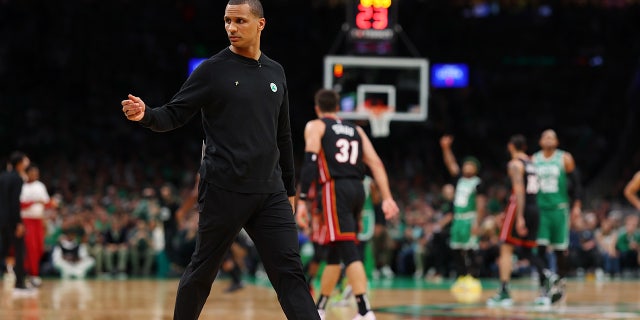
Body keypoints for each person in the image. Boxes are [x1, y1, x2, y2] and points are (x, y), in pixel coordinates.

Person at [120, 1, 319, 318]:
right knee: (202, 273)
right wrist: (146, 115)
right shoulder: (212, 70)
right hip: (223, 189)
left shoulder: (275, 72)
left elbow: (283, 136)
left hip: (270, 193)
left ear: (260, 24)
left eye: (240, 20)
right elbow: (174, 113)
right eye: (227, 21)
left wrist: (290, 189)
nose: (231, 27)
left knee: (290, 274)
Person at [296, 88, 399, 320]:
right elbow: (377, 164)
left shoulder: (316, 125)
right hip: (357, 189)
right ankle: (320, 307)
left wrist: (302, 201)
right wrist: (388, 197)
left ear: (317, 108)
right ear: (339, 108)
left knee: (348, 249)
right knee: (335, 251)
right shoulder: (357, 130)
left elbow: (310, 162)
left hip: (335, 189)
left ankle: (364, 310)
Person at [487, 134, 555, 307]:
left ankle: (504, 292)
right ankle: (547, 277)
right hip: (535, 207)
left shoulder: (515, 164)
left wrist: (519, 217)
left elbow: (519, 191)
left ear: (511, 146)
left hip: (520, 207)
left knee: (506, 248)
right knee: (526, 251)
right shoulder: (533, 163)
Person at [532, 129, 581, 303]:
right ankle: (543, 286)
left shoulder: (565, 158)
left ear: (557, 142)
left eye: (552, 136)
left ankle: (560, 284)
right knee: (540, 249)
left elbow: (576, 183)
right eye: (545, 136)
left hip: (560, 209)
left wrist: (577, 205)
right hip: (540, 209)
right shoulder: (534, 159)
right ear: (540, 141)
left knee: (561, 249)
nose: (549, 139)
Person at [439, 135, 487, 281]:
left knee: (471, 249)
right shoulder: (459, 179)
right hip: (458, 219)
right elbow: (450, 164)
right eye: (466, 164)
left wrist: (477, 222)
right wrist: (445, 148)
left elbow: (481, 204)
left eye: (470, 165)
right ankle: (461, 275)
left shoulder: (478, 183)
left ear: (476, 169)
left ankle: (473, 276)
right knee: (456, 249)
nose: (467, 167)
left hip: (469, 218)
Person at [0, 151, 36, 296]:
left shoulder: (2, 176)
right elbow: (14, 203)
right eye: (25, 160)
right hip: (12, 220)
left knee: (2, 250)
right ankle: (20, 284)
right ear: (20, 163)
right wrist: (18, 223)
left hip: (1, 220)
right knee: (20, 251)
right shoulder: (17, 179)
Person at [20, 163, 57, 287]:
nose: (35, 175)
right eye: (32, 173)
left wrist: (52, 203)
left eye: (36, 173)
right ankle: (31, 275)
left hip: (38, 220)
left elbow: (46, 203)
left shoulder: (40, 186)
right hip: (27, 220)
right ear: (27, 173)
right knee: (30, 248)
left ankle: (33, 274)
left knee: (39, 248)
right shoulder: (22, 186)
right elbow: (20, 204)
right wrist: (35, 201)